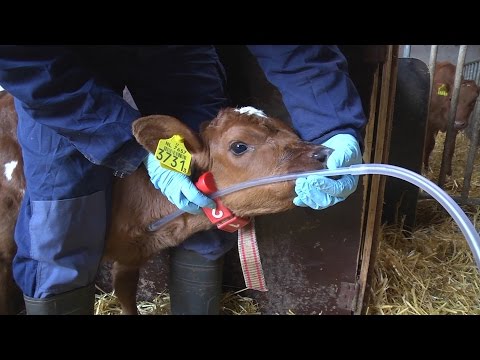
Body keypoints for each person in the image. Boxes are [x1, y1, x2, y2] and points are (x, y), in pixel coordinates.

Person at [0, 45, 366, 315]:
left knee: (206, 190)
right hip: (56, 66)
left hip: (176, 53)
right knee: (60, 211)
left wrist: (333, 125)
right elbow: (24, 61)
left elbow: (296, 50)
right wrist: (141, 150)